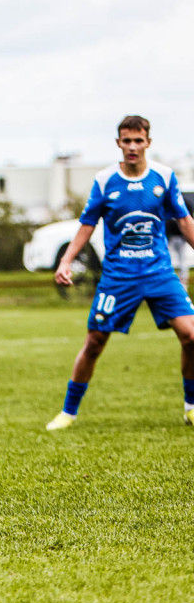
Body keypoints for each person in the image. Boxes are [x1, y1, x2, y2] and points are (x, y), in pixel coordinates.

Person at [46, 114, 194, 430]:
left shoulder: (164, 177)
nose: (132, 147)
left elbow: (183, 220)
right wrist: (65, 260)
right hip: (118, 277)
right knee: (95, 341)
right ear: (118, 143)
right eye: (126, 141)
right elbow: (87, 224)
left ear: (148, 143)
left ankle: (191, 406)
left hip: (159, 273)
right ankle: (68, 412)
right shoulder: (105, 181)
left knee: (191, 335)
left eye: (138, 140)